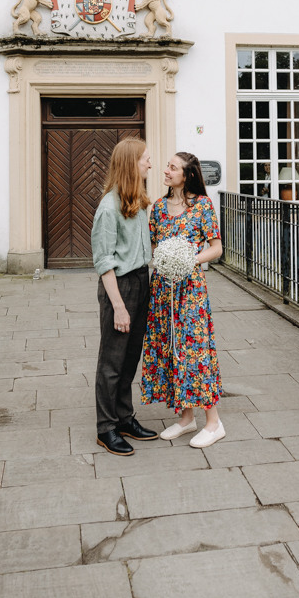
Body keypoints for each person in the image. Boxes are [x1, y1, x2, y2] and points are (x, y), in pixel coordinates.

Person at [141, 152, 225, 448]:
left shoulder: (202, 206)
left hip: (190, 292)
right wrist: (161, 259)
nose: (165, 170)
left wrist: (189, 259)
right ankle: (187, 418)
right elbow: (153, 247)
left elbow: (216, 248)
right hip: (163, 290)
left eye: (172, 167)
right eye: (166, 166)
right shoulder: (159, 208)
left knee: (196, 351)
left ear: (187, 175)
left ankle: (213, 423)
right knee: (173, 348)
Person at [91, 137, 158, 456]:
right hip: (119, 286)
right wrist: (118, 307)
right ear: (131, 163)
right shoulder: (109, 207)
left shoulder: (138, 200)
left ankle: (124, 417)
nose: (150, 163)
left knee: (131, 355)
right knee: (112, 360)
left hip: (141, 281)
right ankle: (106, 428)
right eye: (145, 158)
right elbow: (103, 261)